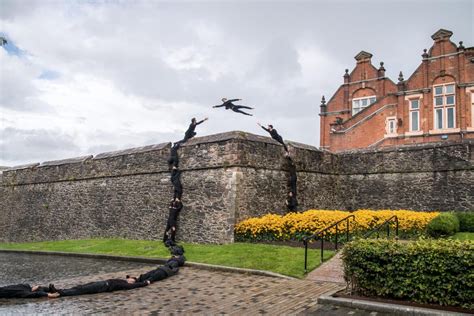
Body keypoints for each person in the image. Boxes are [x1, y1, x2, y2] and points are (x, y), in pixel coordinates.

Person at [52, 277, 150, 297]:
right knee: (80, 287)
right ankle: (59, 291)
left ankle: (60, 293)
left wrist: (145, 283)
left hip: (103, 286)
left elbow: (136, 285)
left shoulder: (127, 285)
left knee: (81, 290)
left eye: (132, 279)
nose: (130, 279)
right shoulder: (124, 281)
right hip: (101, 283)